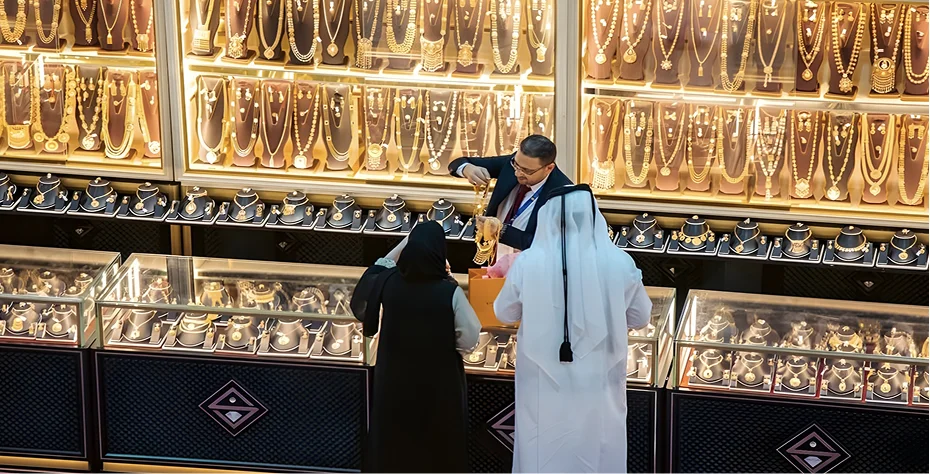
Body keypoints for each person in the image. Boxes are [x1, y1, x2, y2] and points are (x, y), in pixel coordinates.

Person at [493, 185, 653, 473]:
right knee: (599, 450)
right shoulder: (619, 261)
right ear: (593, 216)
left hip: (542, 383)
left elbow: (504, 312)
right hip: (599, 380)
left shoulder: (528, 262)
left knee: (542, 450)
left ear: (547, 218)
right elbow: (641, 317)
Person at [351, 222, 481, 473]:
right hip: (439, 384)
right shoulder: (449, 291)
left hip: (394, 380)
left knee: (395, 440)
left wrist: (403, 243)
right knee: (437, 442)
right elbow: (470, 335)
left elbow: (371, 281)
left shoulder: (388, 282)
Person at [448, 134, 573, 254]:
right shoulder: (511, 165)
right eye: (516, 165)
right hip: (495, 255)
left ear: (549, 168)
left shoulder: (564, 195)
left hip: (530, 266)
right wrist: (466, 168)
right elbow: (457, 163)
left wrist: (501, 232)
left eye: (526, 171)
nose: (518, 173)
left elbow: (548, 245)